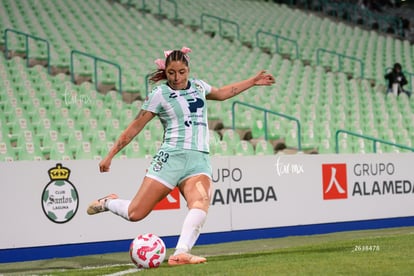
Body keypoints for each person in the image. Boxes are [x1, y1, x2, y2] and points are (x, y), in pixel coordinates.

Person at [87, 46, 276, 265]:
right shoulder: (159, 95)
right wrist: (110, 155)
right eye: (171, 73)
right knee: (135, 214)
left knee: (202, 200)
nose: (177, 78)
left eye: (182, 72)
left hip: (198, 160)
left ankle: (180, 252)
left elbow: (223, 93)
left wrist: (252, 81)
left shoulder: (198, 86)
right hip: (170, 159)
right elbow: (134, 127)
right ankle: (108, 202)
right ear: (165, 72)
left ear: (188, 69)